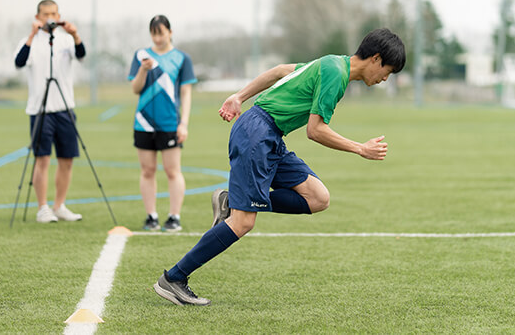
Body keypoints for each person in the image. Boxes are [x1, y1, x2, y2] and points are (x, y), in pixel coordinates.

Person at [152, 28, 405, 306]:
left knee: (318, 198)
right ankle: (174, 277)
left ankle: (233, 201)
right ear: (376, 58)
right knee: (243, 222)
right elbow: (315, 130)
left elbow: (281, 71)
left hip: (268, 136)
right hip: (258, 134)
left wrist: (239, 96)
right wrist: (360, 148)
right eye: (388, 71)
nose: (384, 79)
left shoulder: (333, 62)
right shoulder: (337, 74)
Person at [13, 0, 86, 223]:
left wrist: (75, 35)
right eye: (45, 14)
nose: (50, 18)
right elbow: (19, 62)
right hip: (40, 110)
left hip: (64, 108)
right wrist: (32, 36)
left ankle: (59, 205)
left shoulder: (65, 40)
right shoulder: (30, 42)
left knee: (67, 159)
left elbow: (81, 55)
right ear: (38, 17)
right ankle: (42, 207)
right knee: (42, 159)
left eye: (53, 13)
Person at [129, 15, 197, 232]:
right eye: (154, 33)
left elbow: (186, 93)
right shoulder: (141, 56)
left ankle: (174, 216)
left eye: (161, 32)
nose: (157, 38)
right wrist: (143, 69)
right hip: (143, 122)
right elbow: (135, 89)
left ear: (170, 32)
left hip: (170, 123)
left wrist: (183, 123)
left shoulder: (181, 58)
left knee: (172, 171)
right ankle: (151, 216)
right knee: (147, 170)